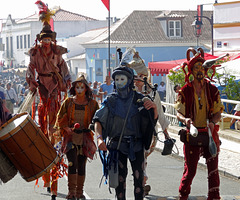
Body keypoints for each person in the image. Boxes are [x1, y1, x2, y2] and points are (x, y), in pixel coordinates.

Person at [26, 5, 71, 199]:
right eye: (44, 38)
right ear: (40, 39)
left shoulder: (58, 53)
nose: (46, 42)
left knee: (55, 132)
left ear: (53, 39)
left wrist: (66, 81)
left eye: (49, 39)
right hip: (42, 90)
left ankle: (54, 180)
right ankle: (46, 177)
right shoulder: (35, 53)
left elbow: (65, 70)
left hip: (56, 88)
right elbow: (29, 69)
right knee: (43, 130)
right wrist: (32, 81)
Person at [93, 66, 158, 200]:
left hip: (137, 145)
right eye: (116, 79)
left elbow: (153, 119)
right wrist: (99, 138)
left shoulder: (140, 99)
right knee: (119, 182)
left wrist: (154, 107)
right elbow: (98, 120)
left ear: (129, 80)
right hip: (117, 146)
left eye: (122, 79)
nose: (119, 82)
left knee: (139, 180)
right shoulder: (110, 101)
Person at [175, 47, 225, 200]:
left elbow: (218, 111)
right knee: (190, 171)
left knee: (213, 170)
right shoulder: (185, 91)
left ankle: (214, 197)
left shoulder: (212, 90)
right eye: (196, 67)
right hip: (193, 135)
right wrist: (186, 121)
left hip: (209, 134)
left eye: (202, 67)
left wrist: (213, 122)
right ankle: (183, 195)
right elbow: (179, 112)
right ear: (191, 70)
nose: (199, 71)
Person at [128, 50, 170, 195]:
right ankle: (139, 182)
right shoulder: (126, 92)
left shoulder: (153, 92)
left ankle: (141, 183)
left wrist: (167, 135)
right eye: (138, 76)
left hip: (148, 133)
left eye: (143, 76)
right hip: (130, 131)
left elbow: (161, 114)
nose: (140, 79)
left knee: (143, 157)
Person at [55, 75, 99, 200]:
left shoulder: (93, 104)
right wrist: (65, 128)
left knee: (81, 165)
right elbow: (60, 117)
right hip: (70, 137)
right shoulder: (68, 102)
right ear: (74, 88)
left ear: (86, 89)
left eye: (82, 87)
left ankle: (80, 192)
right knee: (71, 163)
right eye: (77, 87)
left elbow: (99, 119)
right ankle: (72, 192)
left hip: (85, 138)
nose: (79, 89)